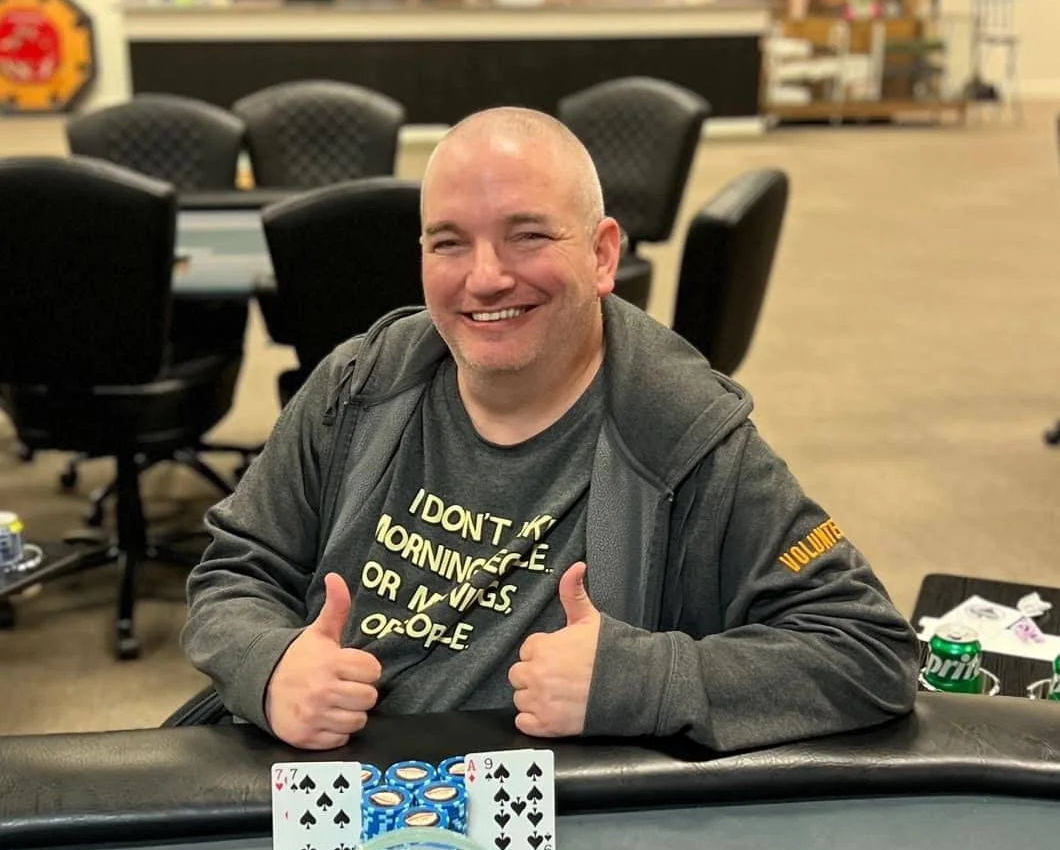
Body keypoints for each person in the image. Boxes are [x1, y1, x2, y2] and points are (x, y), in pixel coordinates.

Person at [183, 106, 918, 751]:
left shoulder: (687, 436)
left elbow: (867, 648)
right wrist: (270, 665)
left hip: (551, 820)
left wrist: (640, 680)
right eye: (448, 243)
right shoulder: (360, 382)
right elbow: (237, 568)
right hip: (324, 782)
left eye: (527, 235)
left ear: (602, 254)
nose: (485, 278)